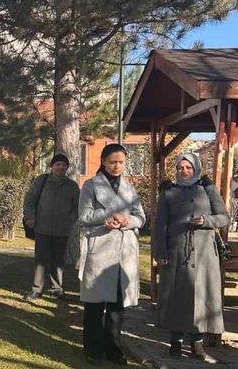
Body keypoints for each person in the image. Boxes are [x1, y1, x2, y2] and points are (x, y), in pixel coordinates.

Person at [153, 153, 228, 361]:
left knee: (201, 298)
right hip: (176, 252)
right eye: (180, 168)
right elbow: (160, 225)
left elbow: (224, 217)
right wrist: (160, 252)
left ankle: (197, 343)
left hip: (204, 254)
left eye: (188, 168)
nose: (184, 171)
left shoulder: (208, 189)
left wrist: (205, 220)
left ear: (195, 168)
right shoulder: (169, 192)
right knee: (176, 296)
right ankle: (175, 343)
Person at [78, 143, 145, 365]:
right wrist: (107, 216)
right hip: (101, 248)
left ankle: (114, 349)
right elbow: (84, 216)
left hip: (124, 251)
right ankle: (93, 349)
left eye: (121, 162)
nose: (117, 166)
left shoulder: (129, 187)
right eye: (113, 162)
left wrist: (128, 221)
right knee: (95, 306)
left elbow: (141, 217)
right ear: (104, 162)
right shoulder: (91, 185)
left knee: (117, 307)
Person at [22, 154, 80, 301]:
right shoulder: (41, 181)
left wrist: (70, 219)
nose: (61, 167)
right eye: (58, 164)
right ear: (52, 166)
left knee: (58, 261)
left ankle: (57, 289)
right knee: (41, 260)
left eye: (63, 165)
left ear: (67, 167)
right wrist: (30, 217)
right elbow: (30, 199)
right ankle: (37, 289)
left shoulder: (72, 186)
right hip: (42, 227)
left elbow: (78, 207)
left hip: (62, 229)